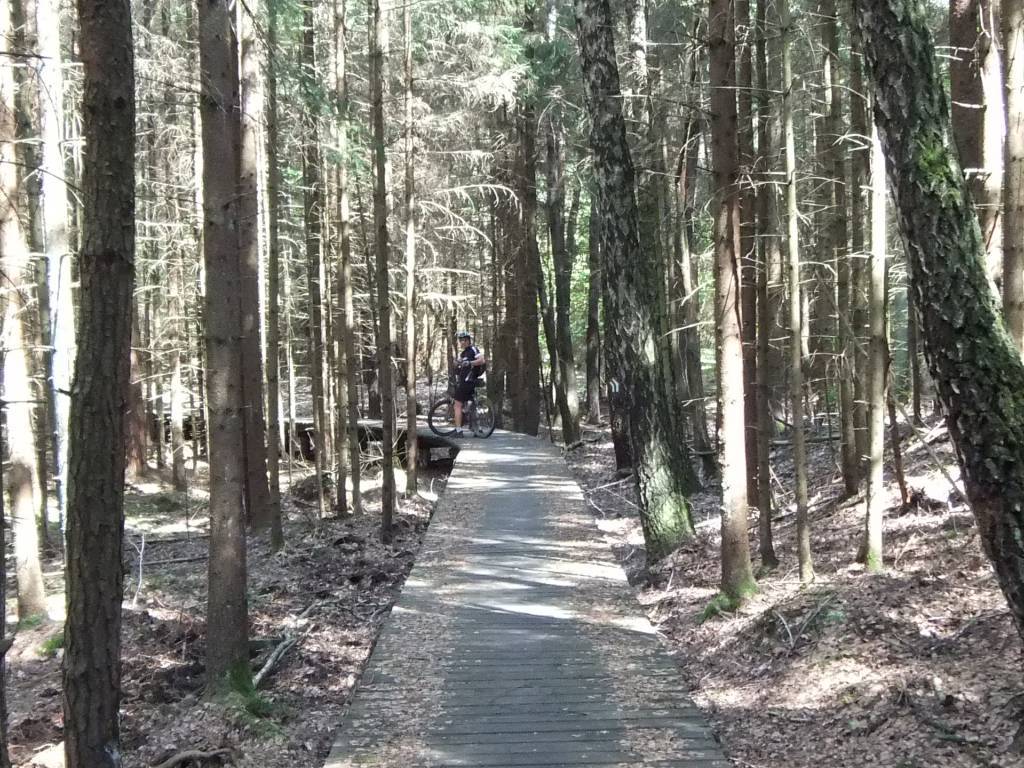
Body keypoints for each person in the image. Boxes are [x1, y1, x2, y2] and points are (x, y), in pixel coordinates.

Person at [452, 330, 486, 437]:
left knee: (457, 404)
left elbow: (482, 360)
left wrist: (470, 362)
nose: (461, 342)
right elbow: (459, 364)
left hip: (468, 381)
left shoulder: (473, 349)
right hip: (464, 382)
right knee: (471, 405)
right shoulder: (463, 353)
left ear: (467, 341)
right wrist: (457, 363)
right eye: (460, 341)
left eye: (463, 340)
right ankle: (478, 429)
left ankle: (458, 431)